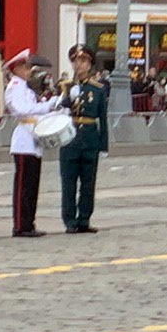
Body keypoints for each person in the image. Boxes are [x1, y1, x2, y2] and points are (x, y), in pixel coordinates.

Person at [4, 49, 61, 238]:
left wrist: (55, 109)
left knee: (32, 185)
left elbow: (36, 111)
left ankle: (29, 222)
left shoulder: (26, 88)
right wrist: (47, 105)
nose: (29, 71)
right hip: (23, 139)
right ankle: (20, 225)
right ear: (17, 68)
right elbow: (22, 110)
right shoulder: (14, 87)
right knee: (23, 186)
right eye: (26, 67)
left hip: (33, 138)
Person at [60, 44, 108, 234]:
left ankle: (84, 219)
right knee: (68, 182)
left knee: (88, 183)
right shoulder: (65, 87)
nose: (79, 65)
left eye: (83, 61)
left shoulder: (97, 89)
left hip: (89, 139)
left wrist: (103, 145)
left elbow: (102, 118)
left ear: (90, 65)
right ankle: (70, 220)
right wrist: (66, 100)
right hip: (69, 139)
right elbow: (58, 112)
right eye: (75, 61)